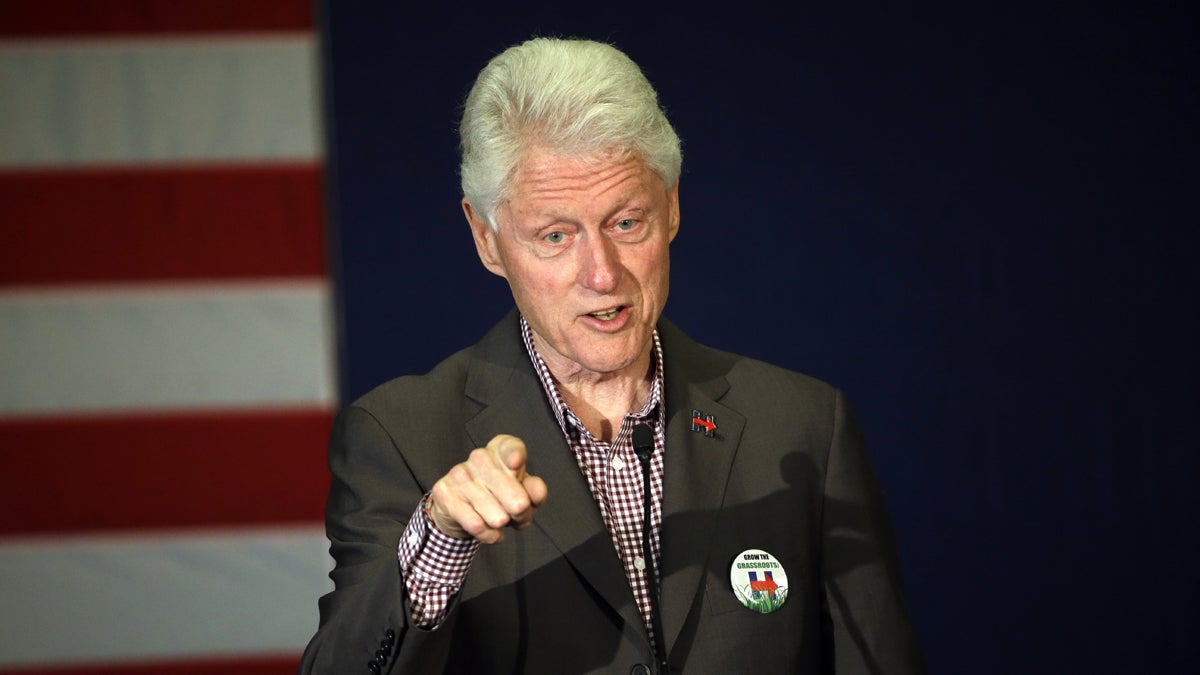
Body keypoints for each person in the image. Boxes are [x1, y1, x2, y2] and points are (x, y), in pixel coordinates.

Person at [298, 37, 923, 674]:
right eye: (555, 236)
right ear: (486, 241)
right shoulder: (400, 435)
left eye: (626, 222)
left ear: (672, 206)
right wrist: (438, 543)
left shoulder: (803, 425)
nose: (602, 274)